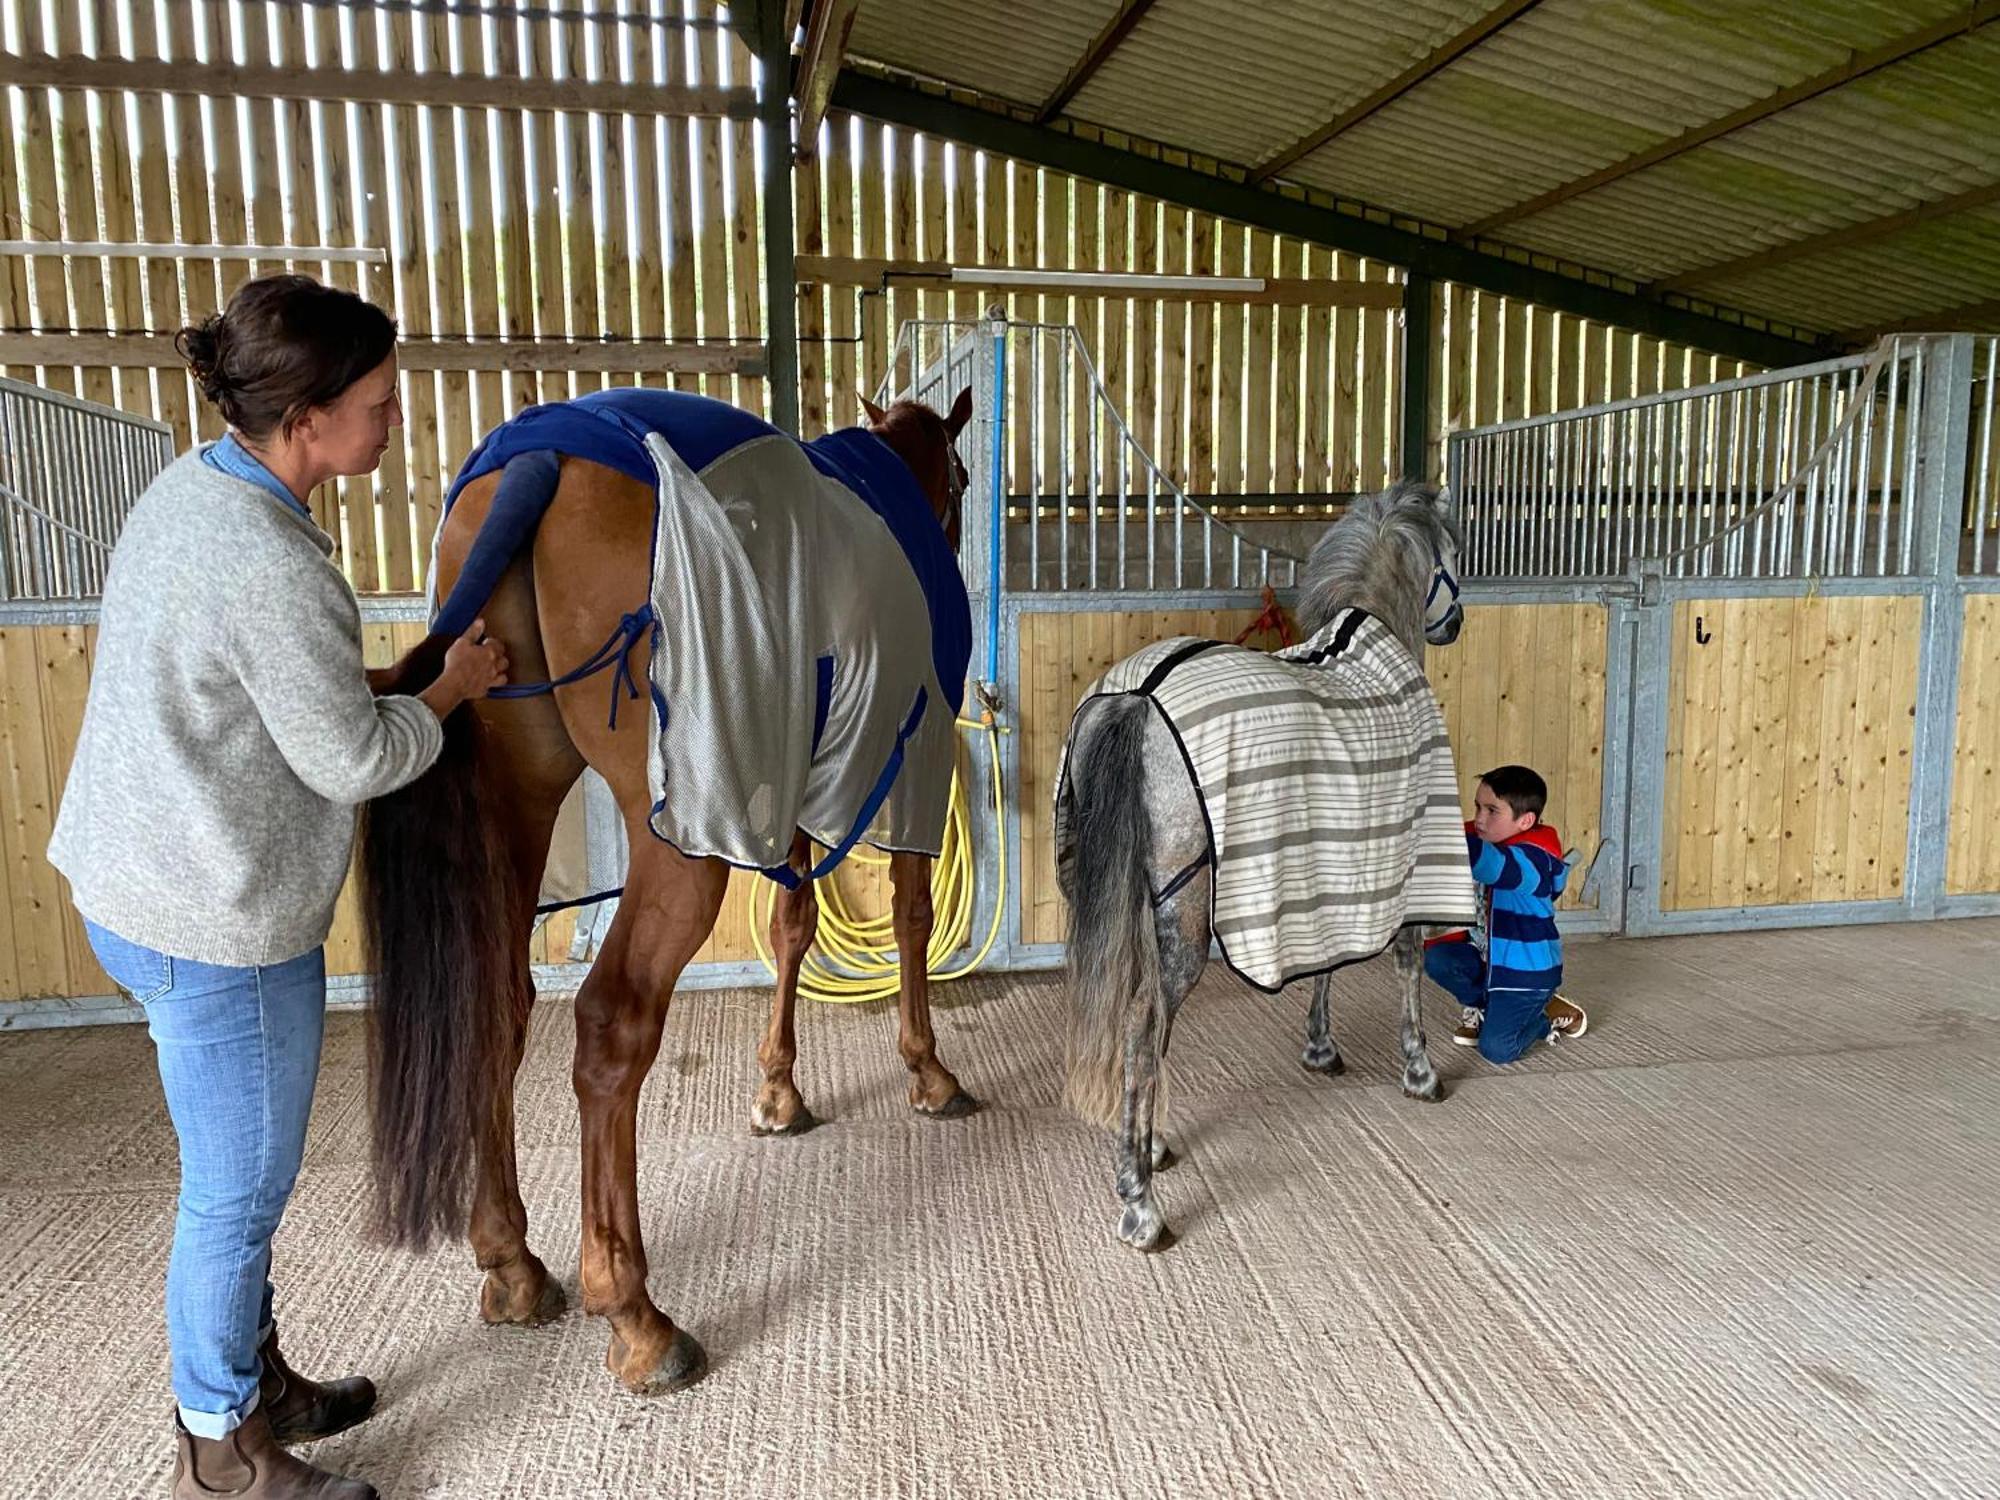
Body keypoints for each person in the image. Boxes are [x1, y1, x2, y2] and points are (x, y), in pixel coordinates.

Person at [47, 273, 508, 1499]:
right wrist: (449, 691)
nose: (395, 419)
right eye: (378, 401)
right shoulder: (269, 556)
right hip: (218, 917)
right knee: (237, 1191)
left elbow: (268, 685)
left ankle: (255, 1387)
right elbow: (353, 760)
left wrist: (362, 682)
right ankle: (223, 1450)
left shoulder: (198, 486)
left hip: (132, 879)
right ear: (305, 420)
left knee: (234, 1176)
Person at [1423, 764, 1589, 1064]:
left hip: (1524, 977)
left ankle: (1544, 1016)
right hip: (1488, 959)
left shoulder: (1537, 859)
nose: (1480, 818)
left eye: (1492, 810)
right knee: (1439, 960)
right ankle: (1487, 1006)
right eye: (1477, 807)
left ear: (1526, 820)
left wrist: (1442, 839)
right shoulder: (1478, 836)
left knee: (1497, 1050)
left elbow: (1496, 865)